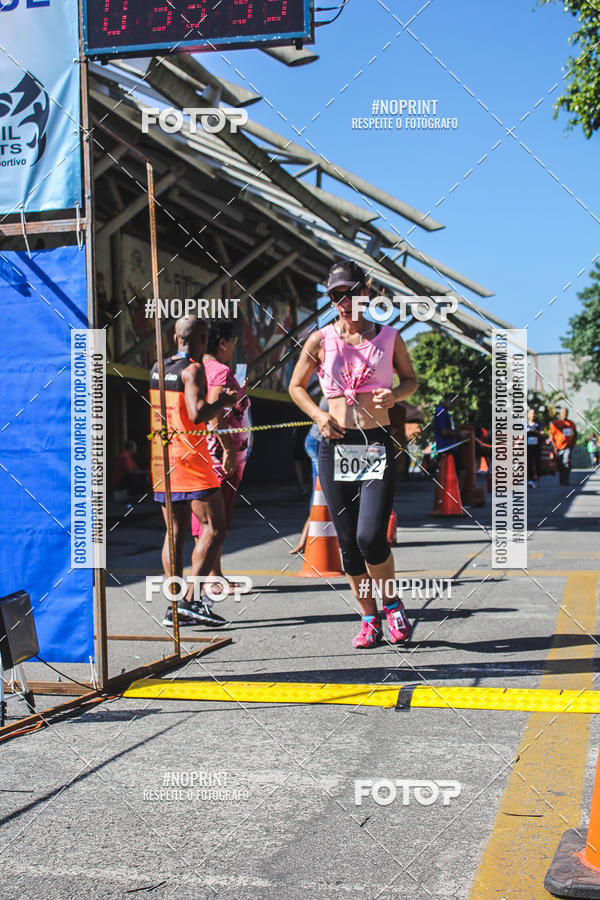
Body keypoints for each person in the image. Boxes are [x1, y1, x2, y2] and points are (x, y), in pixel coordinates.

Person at [289, 259, 418, 650]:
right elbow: (296, 386)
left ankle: (392, 605)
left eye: (350, 292)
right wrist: (318, 415)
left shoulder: (389, 337)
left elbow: (411, 380)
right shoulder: (320, 339)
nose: (343, 301)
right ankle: (368, 618)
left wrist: (395, 395)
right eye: (335, 295)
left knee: (370, 536)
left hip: (375, 442)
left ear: (366, 291)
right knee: (346, 541)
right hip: (335, 445)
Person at [149, 315, 237, 627]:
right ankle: (189, 601)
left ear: (175, 339)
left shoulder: (157, 368)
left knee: (174, 532)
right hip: (191, 461)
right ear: (202, 342)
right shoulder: (193, 369)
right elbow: (198, 412)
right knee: (215, 526)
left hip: (162, 459)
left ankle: (174, 605)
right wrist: (222, 400)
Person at [190, 319, 250, 594]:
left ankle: (214, 574)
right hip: (219, 456)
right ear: (223, 342)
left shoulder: (198, 368)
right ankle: (210, 580)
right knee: (216, 522)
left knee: (204, 522)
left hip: (203, 453)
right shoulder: (220, 370)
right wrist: (227, 450)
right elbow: (214, 411)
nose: (233, 349)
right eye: (233, 343)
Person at [289, 395, 328, 555]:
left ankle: (305, 541)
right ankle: (304, 541)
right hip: (320, 442)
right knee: (322, 492)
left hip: (318, 441)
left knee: (322, 493)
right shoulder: (339, 389)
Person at [432, 394, 469, 491]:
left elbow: (448, 429)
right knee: (461, 473)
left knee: (452, 474)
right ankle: (455, 499)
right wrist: (459, 433)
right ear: (447, 400)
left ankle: (451, 499)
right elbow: (444, 431)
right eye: (454, 402)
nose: (455, 405)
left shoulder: (443, 412)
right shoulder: (442, 412)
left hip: (447, 447)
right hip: (448, 448)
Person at [549, 407, 577, 485]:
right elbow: (551, 436)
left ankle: (566, 479)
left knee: (566, 461)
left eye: (566, 412)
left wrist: (574, 442)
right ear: (560, 414)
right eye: (563, 412)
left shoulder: (571, 423)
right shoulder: (555, 424)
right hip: (558, 447)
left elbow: (575, 433)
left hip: (568, 446)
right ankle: (562, 479)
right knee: (560, 464)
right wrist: (553, 446)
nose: (565, 414)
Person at [526, 408, 544, 488]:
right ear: (528, 415)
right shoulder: (525, 424)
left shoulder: (538, 424)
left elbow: (542, 434)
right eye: (531, 414)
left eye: (533, 414)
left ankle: (537, 478)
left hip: (537, 447)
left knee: (537, 463)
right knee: (529, 463)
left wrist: (535, 431)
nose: (532, 415)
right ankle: (530, 480)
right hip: (528, 447)